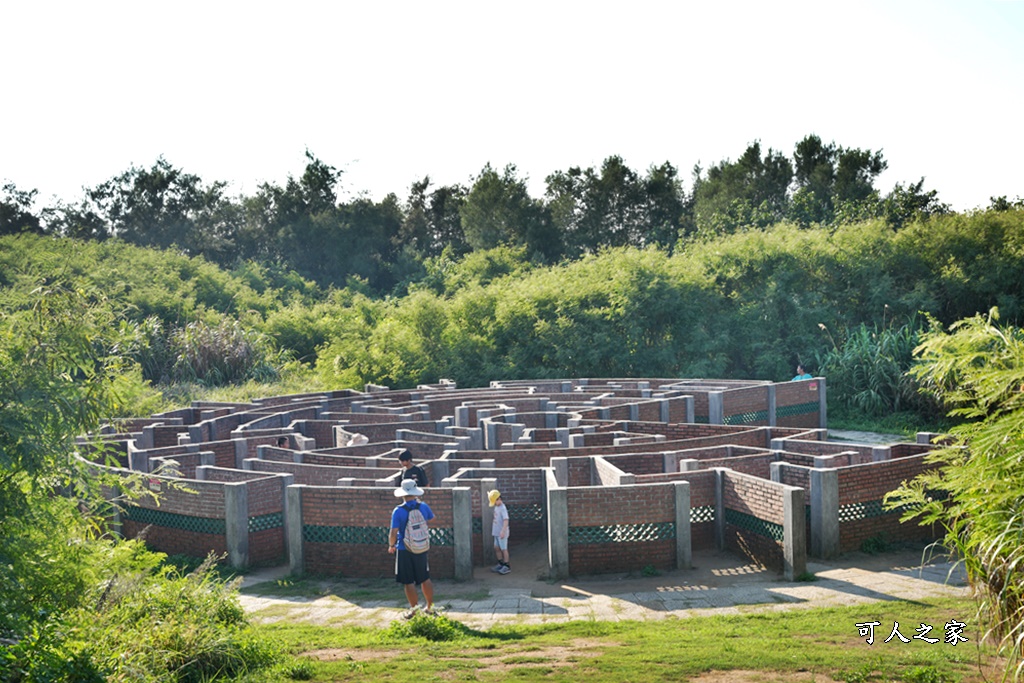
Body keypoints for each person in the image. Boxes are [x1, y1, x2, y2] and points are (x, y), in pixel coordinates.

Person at [388, 478, 435, 618]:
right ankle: (429, 607)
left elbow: (393, 532)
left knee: (408, 581)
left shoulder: (398, 511)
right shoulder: (424, 507)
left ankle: (414, 610)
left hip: (404, 548)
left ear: (402, 493)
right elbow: (431, 519)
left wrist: (391, 545)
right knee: (425, 578)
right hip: (421, 547)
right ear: (416, 492)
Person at [488, 489, 511, 574]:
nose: (494, 503)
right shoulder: (497, 507)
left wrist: (503, 531)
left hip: (501, 533)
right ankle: (500, 563)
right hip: (496, 532)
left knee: (504, 549)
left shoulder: (502, 508)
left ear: (499, 499)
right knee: (496, 548)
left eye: (495, 501)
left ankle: (506, 565)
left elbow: (506, 520)